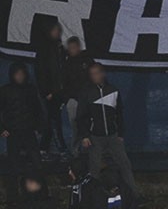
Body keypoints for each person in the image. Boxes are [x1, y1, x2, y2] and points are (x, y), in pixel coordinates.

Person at [77, 62, 141, 197]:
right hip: (95, 137)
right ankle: (93, 198)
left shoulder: (113, 90)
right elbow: (81, 116)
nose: (95, 76)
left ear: (103, 73)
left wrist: (120, 133)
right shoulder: (86, 92)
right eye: (92, 74)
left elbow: (119, 113)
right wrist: (85, 135)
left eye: (97, 73)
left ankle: (133, 196)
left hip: (113, 135)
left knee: (124, 164)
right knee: (94, 168)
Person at [0, 62, 44, 192]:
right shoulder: (5, 90)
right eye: (17, 74)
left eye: (21, 74)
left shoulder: (31, 89)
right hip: (13, 131)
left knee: (37, 161)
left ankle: (41, 189)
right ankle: (14, 191)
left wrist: (39, 127)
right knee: (13, 163)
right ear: (12, 75)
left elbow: (38, 109)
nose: (19, 77)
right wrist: (1, 128)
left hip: (28, 130)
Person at [34, 21, 68, 156]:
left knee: (53, 118)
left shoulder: (60, 48)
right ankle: (59, 147)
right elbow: (40, 71)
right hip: (49, 92)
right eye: (55, 30)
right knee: (52, 119)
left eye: (58, 30)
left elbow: (63, 70)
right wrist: (46, 91)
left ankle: (44, 148)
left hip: (58, 91)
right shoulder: (44, 48)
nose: (57, 33)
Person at [62, 36, 93, 151]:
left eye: (74, 47)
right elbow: (63, 83)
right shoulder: (66, 64)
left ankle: (92, 154)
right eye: (70, 48)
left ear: (79, 47)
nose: (72, 50)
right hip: (73, 100)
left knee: (90, 126)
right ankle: (75, 154)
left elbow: (95, 77)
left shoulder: (88, 61)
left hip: (87, 99)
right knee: (76, 127)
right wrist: (67, 99)